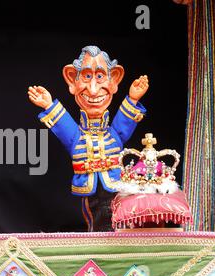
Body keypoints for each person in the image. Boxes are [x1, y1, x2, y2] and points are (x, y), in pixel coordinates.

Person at [27, 45, 149, 231]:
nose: (93, 90)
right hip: (88, 185)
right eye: (87, 77)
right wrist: (48, 105)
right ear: (72, 80)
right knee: (94, 218)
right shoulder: (77, 137)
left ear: (114, 79)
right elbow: (65, 128)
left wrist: (132, 99)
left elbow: (123, 126)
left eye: (100, 77)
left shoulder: (112, 134)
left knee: (120, 216)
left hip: (114, 182)